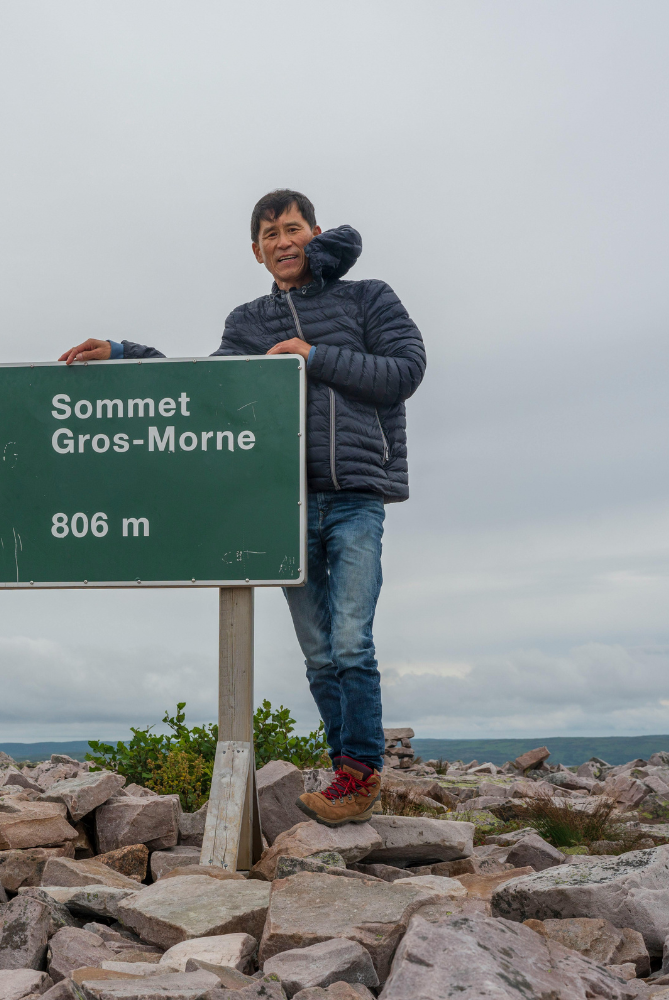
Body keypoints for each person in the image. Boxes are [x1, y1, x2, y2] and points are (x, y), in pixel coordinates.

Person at [58, 190, 426, 826]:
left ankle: (361, 772)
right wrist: (124, 354)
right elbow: (207, 389)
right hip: (282, 502)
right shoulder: (250, 320)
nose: (283, 242)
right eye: (269, 235)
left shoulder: (370, 297)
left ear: (314, 231)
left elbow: (405, 370)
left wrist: (314, 356)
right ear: (255, 253)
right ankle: (347, 771)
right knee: (317, 650)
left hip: (357, 494)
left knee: (350, 640)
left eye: (292, 228)